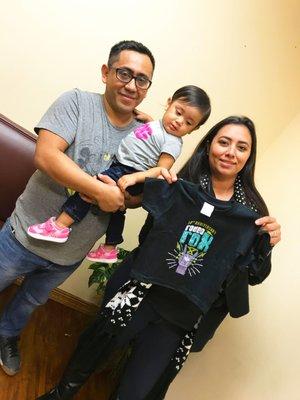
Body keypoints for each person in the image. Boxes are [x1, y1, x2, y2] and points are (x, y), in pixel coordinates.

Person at [37, 116, 281, 400]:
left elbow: (253, 274)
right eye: (223, 142)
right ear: (209, 145)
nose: (230, 152)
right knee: (91, 351)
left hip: (182, 314)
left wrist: (268, 244)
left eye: (241, 147)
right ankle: (58, 395)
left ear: (249, 156)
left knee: (137, 391)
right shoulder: (181, 183)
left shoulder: (251, 211)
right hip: (139, 291)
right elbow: (147, 236)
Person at [0, 40, 160, 377]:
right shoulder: (76, 102)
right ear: (106, 73)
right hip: (24, 234)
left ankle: (7, 334)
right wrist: (101, 193)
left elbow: (135, 197)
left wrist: (126, 197)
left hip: (70, 253)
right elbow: (46, 156)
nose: (131, 85)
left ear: (147, 88)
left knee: (31, 302)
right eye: (124, 73)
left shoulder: (147, 137)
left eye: (142, 79)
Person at [26, 85, 211, 264]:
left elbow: (161, 169)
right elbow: (154, 137)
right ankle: (110, 247)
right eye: (178, 112)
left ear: (193, 129)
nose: (179, 121)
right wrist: (149, 119)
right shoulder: (158, 126)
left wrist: (135, 177)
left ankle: (59, 226)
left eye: (188, 122)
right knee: (117, 211)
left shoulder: (173, 142)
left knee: (91, 188)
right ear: (169, 104)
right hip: (126, 168)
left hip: (129, 171)